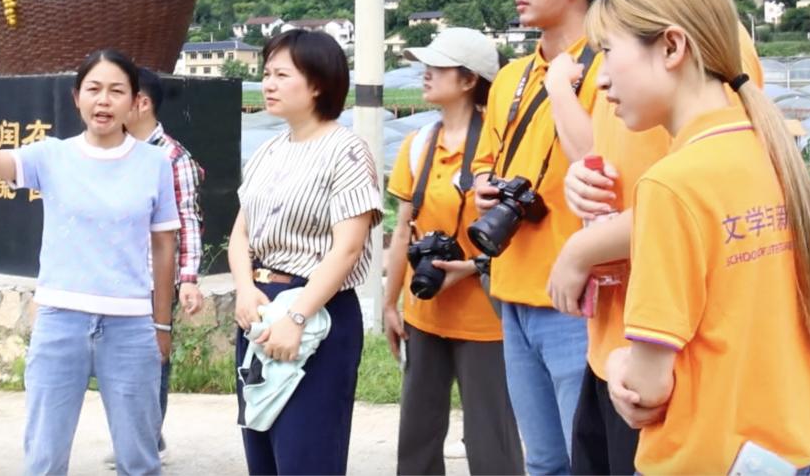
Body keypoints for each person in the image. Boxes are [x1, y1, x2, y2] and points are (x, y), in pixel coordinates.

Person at [548, 0, 766, 475]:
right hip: (618, 345)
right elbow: (617, 164)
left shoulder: (710, 45)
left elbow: (701, 201)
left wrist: (581, 250)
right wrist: (582, 182)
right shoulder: (624, 44)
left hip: (666, 361)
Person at [585, 0, 810, 472]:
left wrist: (618, 362)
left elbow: (648, 388)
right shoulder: (774, 152)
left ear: (672, 46)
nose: (600, 80)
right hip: (787, 455)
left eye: (608, 52)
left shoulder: (670, 185)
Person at [0, 49, 178, 476]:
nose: (103, 100)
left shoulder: (155, 163)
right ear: (76, 97)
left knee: (140, 461)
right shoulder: (51, 155)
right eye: (94, 89)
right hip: (59, 323)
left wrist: (161, 324)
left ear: (133, 101)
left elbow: (165, 245)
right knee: (45, 460)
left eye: (116, 91)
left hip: (130, 327)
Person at [470, 0, 601, 474]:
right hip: (513, 293)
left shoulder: (606, 67)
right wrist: (483, 186)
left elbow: (602, 164)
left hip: (577, 298)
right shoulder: (510, 78)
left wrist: (559, 89)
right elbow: (486, 163)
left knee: (586, 458)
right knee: (543, 462)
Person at [227, 29, 383, 475]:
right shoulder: (268, 150)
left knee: (307, 455)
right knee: (262, 454)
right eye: (266, 74)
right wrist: (244, 289)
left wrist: (296, 317)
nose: (268, 84)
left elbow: (348, 247)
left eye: (281, 75)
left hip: (316, 312)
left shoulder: (346, 151)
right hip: (260, 309)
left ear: (317, 83)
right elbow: (241, 234)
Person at [384, 27, 523, 475]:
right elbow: (403, 231)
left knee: (491, 443)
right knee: (416, 441)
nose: (425, 73)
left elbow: (522, 230)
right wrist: (389, 305)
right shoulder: (418, 145)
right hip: (424, 312)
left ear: (468, 79)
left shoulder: (500, 148)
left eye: (438, 67)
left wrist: (472, 266)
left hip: (485, 319)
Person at [122, 65, 206, 465]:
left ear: (141, 103)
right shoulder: (117, 150)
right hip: (119, 274)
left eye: (119, 93)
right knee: (123, 362)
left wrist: (187, 278)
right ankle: (135, 437)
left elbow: (187, 220)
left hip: (156, 278)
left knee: (153, 357)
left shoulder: (173, 157)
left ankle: (148, 441)